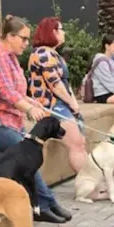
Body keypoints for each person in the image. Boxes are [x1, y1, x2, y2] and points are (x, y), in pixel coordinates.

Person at [0, 15, 75, 221]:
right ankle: (46, 204)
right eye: (23, 38)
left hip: (11, 119)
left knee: (29, 155)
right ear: (10, 36)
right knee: (26, 156)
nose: (27, 44)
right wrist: (29, 109)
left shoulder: (10, 57)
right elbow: (7, 93)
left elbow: (19, 91)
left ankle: (45, 203)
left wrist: (33, 102)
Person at [27, 17, 88, 175]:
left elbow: (64, 84)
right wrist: (72, 103)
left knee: (80, 143)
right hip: (53, 105)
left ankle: (90, 184)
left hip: (63, 103)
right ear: (52, 32)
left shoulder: (53, 54)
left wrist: (73, 102)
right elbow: (55, 84)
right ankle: (89, 187)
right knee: (76, 144)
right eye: (61, 29)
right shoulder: (43, 54)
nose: (64, 32)